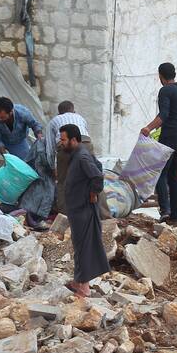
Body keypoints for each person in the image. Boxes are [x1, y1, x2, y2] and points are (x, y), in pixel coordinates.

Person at [140, 63, 177, 224]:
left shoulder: (165, 90)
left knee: (159, 174)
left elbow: (163, 114)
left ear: (161, 76)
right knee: (173, 176)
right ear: (174, 74)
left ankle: (165, 211)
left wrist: (148, 128)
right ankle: (175, 214)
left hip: (169, 138)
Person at [61, 124, 110, 297]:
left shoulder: (81, 157)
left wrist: (93, 193)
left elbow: (97, 176)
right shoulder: (78, 155)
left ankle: (84, 288)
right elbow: (97, 165)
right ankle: (78, 281)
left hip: (84, 210)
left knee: (85, 246)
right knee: (79, 244)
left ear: (74, 140)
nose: (61, 143)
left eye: (64, 139)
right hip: (77, 209)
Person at [47, 100, 92, 213]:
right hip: (85, 144)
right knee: (91, 178)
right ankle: (103, 215)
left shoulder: (53, 121)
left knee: (63, 182)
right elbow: (86, 136)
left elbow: (50, 148)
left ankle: (64, 215)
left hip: (65, 147)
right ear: (74, 111)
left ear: (58, 113)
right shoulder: (80, 118)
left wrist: (53, 167)